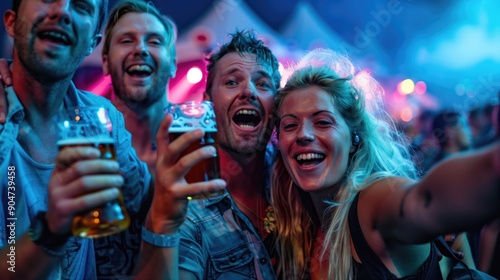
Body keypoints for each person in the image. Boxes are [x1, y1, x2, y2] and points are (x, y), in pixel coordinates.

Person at [0, 0, 222, 278]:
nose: (62, 11)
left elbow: (150, 202)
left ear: (92, 42)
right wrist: (52, 231)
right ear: (9, 22)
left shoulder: (101, 120)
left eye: (81, 6)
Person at [270, 49, 500, 279]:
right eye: (290, 125)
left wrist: (492, 165)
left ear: (353, 138)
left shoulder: (372, 200)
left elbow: (425, 201)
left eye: (322, 122)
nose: (304, 134)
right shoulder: (299, 224)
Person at [135, 30, 281, 279]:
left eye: (263, 84)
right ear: (207, 104)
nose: (249, 92)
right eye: (232, 82)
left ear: (277, 106)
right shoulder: (189, 207)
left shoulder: (295, 179)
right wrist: (163, 221)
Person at [100, 0, 177, 174]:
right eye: (126, 41)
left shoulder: (198, 143)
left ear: (172, 64)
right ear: (106, 62)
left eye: (155, 42)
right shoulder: (88, 144)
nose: (140, 49)